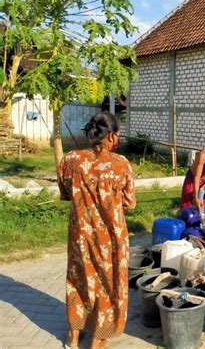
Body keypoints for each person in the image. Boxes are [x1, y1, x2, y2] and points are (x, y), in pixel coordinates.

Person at [57, 112, 136, 349]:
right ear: (111, 136)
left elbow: (65, 195)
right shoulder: (120, 164)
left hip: (79, 235)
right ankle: (98, 340)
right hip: (110, 238)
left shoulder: (69, 160)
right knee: (109, 285)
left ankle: (73, 337)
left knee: (78, 280)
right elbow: (130, 203)